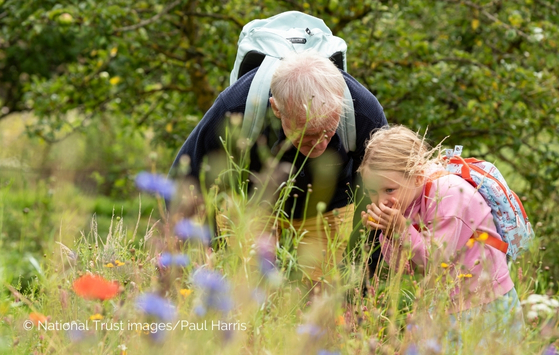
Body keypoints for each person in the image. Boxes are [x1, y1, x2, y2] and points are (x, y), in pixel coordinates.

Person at [169, 50, 387, 280]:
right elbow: (185, 180)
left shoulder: (364, 113)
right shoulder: (235, 107)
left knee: (317, 296)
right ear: (276, 108)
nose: (320, 144)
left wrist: (361, 272)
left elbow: (387, 191)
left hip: (329, 209)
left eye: (329, 130)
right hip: (252, 206)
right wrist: (207, 254)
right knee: (248, 291)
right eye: (308, 134)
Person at [358, 125, 524, 341]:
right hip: (448, 303)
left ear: (417, 177)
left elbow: (437, 258)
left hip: (487, 303)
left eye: (389, 190)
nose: (380, 201)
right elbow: (405, 268)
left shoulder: (449, 194)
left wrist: (400, 229)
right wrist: (388, 233)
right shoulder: (408, 201)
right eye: (372, 191)